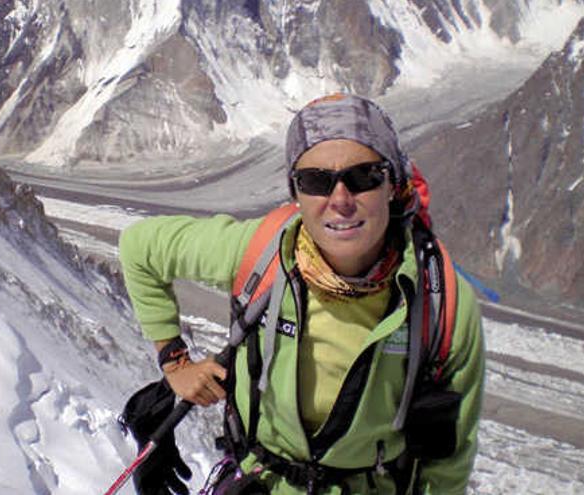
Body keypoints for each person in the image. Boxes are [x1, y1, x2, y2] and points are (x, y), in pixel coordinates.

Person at [118, 94, 485, 494]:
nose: (340, 200)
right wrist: (175, 363)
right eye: (316, 181)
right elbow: (141, 248)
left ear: (393, 184)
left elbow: (449, 461)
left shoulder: (442, 302)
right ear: (296, 192)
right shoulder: (261, 253)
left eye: (364, 177)